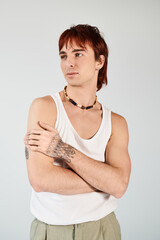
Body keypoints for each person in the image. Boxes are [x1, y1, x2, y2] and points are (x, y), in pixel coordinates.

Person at [24, 24, 131, 240]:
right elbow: (40, 180)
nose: (69, 63)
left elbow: (119, 186)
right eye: (63, 56)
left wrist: (61, 149)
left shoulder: (116, 123)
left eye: (78, 54)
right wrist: (104, 180)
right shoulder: (44, 107)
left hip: (104, 229)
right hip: (52, 231)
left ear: (99, 62)